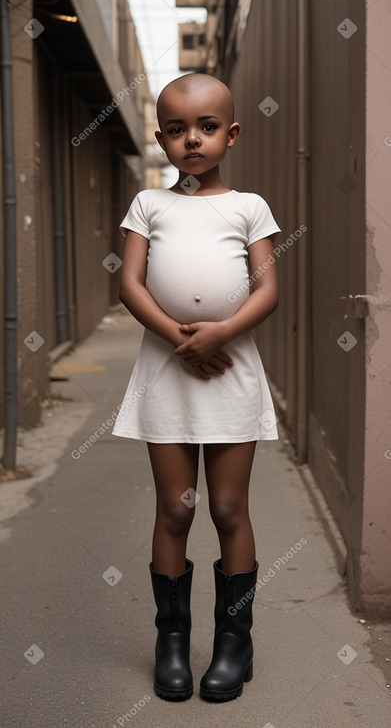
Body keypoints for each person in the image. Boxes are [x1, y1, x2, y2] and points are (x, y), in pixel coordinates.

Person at [112, 73, 281, 702]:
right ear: (160, 139)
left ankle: (235, 645)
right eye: (177, 129)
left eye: (207, 127)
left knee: (228, 508)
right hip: (167, 374)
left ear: (230, 134)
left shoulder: (250, 207)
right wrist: (182, 340)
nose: (192, 140)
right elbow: (131, 284)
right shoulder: (148, 205)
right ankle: (173, 643)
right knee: (175, 509)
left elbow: (266, 289)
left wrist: (220, 335)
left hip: (231, 372)